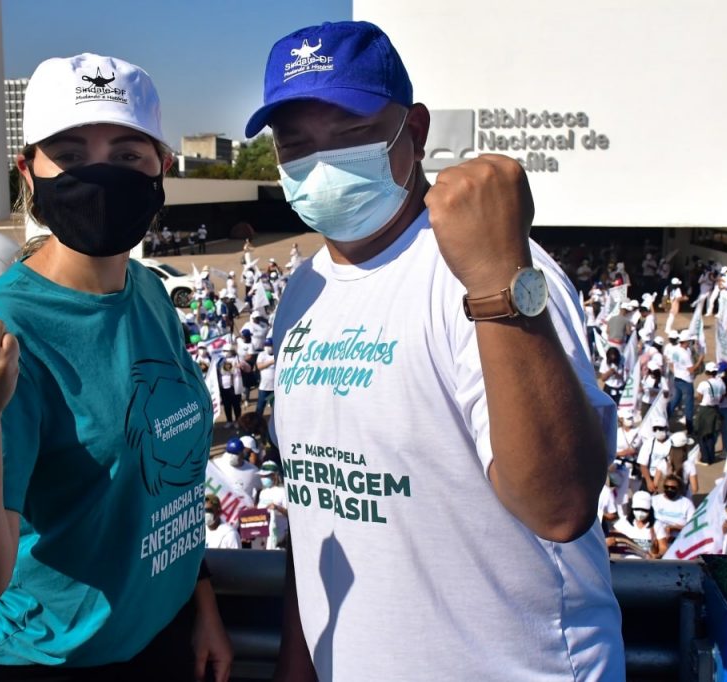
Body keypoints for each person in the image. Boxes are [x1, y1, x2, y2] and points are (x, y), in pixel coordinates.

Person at [247, 21, 622, 680]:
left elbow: (561, 505)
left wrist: (498, 280)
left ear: (414, 132)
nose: (323, 164)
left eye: (353, 133)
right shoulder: (304, 289)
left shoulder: (493, 273)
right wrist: (297, 663)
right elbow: (316, 510)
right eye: (297, 144)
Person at [0, 53, 230, 680]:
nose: (100, 173)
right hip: (52, 659)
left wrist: (199, 598)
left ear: (162, 167)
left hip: (162, 632)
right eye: (70, 153)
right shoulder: (7, 334)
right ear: (28, 171)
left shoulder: (149, 293)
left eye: (127, 154)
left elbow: (161, 476)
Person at [256, 461, 289, 549]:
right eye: (261, 476)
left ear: (274, 475)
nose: (263, 478)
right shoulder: (262, 492)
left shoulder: (283, 491)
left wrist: (277, 508)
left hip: (280, 538)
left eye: (266, 476)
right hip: (263, 538)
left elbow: (289, 514)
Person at [255, 337, 276, 416]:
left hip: (274, 388)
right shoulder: (262, 354)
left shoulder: (277, 354)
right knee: (260, 408)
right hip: (264, 388)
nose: (268, 347)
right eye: (266, 345)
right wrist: (271, 362)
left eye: (269, 345)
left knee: (274, 409)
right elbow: (259, 366)